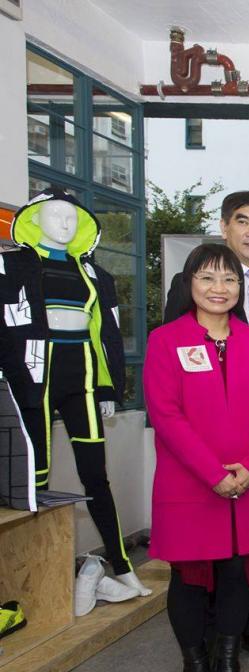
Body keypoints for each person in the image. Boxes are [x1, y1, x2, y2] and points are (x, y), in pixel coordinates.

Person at [163, 190, 249, 666]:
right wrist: (209, 464)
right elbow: (172, 375)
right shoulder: (188, 290)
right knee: (203, 554)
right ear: (225, 227)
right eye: (243, 221)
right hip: (201, 456)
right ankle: (205, 641)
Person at [144, 244, 249, 672]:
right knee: (189, 578)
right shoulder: (166, 340)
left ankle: (227, 661)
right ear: (189, 284)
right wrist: (212, 473)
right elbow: (166, 415)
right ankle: (195, 668)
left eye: (229, 279)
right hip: (190, 484)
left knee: (237, 574)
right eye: (207, 278)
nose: (219, 288)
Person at [2, 188, 142, 600]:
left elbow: (108, 334)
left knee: (96, 475)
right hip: (31, 376)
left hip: (82, 377)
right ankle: (34, 583)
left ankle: (122, 566)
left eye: (71, 217)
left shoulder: (97, 276)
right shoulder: (10, 266)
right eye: (55, 215)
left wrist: (109, 386)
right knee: (34, 479)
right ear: (35, 219)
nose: (64, 223)